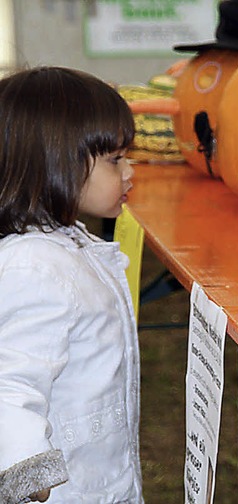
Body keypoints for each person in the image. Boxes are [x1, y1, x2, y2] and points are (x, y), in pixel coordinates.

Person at [0, 67, 142, 503]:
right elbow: (10, 385)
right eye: (115, 160)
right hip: (64, 493)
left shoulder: (66, 243)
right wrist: (26, 480)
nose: (130, 171)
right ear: (55, 162)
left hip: (99, 477)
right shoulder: (34, 267)